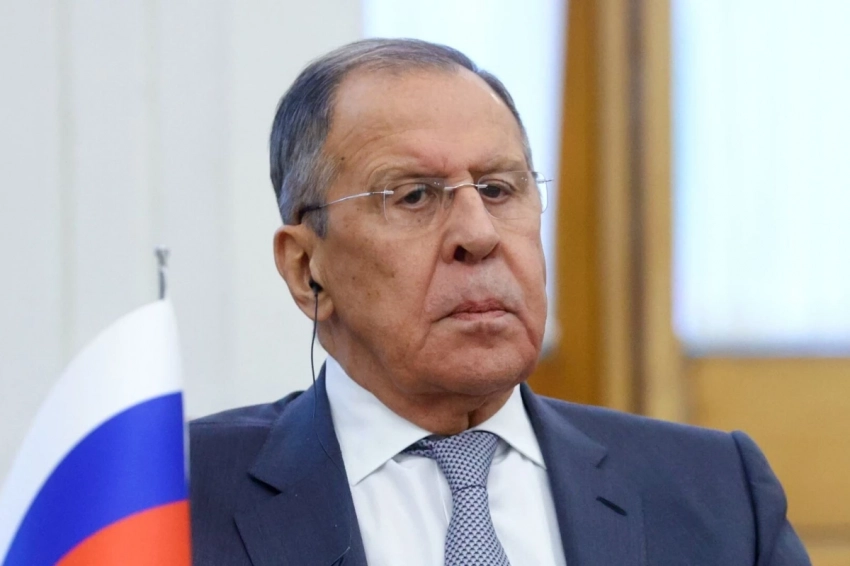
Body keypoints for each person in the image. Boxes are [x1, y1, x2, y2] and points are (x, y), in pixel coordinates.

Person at [189, 38, 810, 566]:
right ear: (306, 269)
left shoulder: (719, 494)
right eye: (413, 196)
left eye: (497, 189)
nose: (479, 234)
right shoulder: (174, 499)